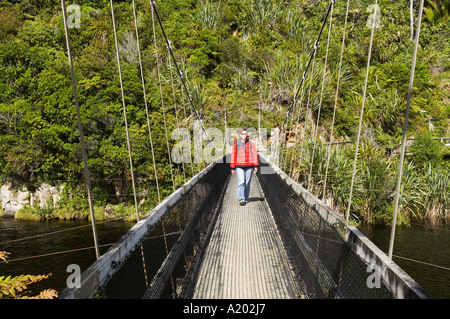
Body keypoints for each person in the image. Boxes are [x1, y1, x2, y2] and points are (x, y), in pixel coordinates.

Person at [230, 129, 259, 206]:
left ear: (246, 135)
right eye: (242, 134)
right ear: (240, 135)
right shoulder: (236, 145)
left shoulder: (251, 144)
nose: (244, 135)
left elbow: (255, 155)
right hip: (239, 166)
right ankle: (241, 199)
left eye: (245, 134)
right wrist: (232, 167)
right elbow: (233, 156)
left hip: (249, 166)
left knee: (247, 183)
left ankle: (246, 198)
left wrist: (255, 166)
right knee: (241, 182)